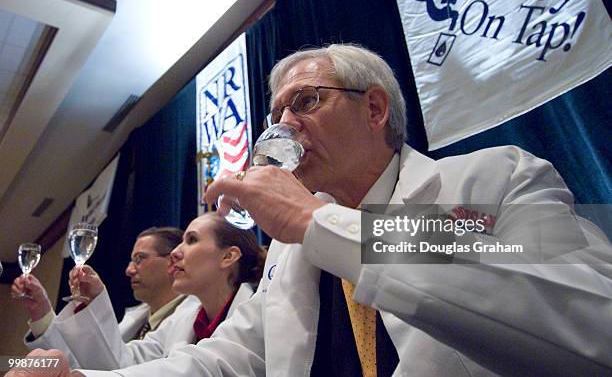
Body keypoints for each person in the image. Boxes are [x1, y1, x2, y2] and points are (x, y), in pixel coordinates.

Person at [10, 44, 612, 377]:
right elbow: (226, 361)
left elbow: (592, 327)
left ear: (375, 109)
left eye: (307, 101)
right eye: (275, 116)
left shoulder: (489, 180)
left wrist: (315, 222)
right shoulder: (292, 256)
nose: (284, 128)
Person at [12, 227, 187, 366]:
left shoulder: (194, 317)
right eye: (131, 260)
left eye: (139, 259)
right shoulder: (135, 321)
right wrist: (42, 312)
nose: (129, 270)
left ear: (173, 259)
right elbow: (85, 365)